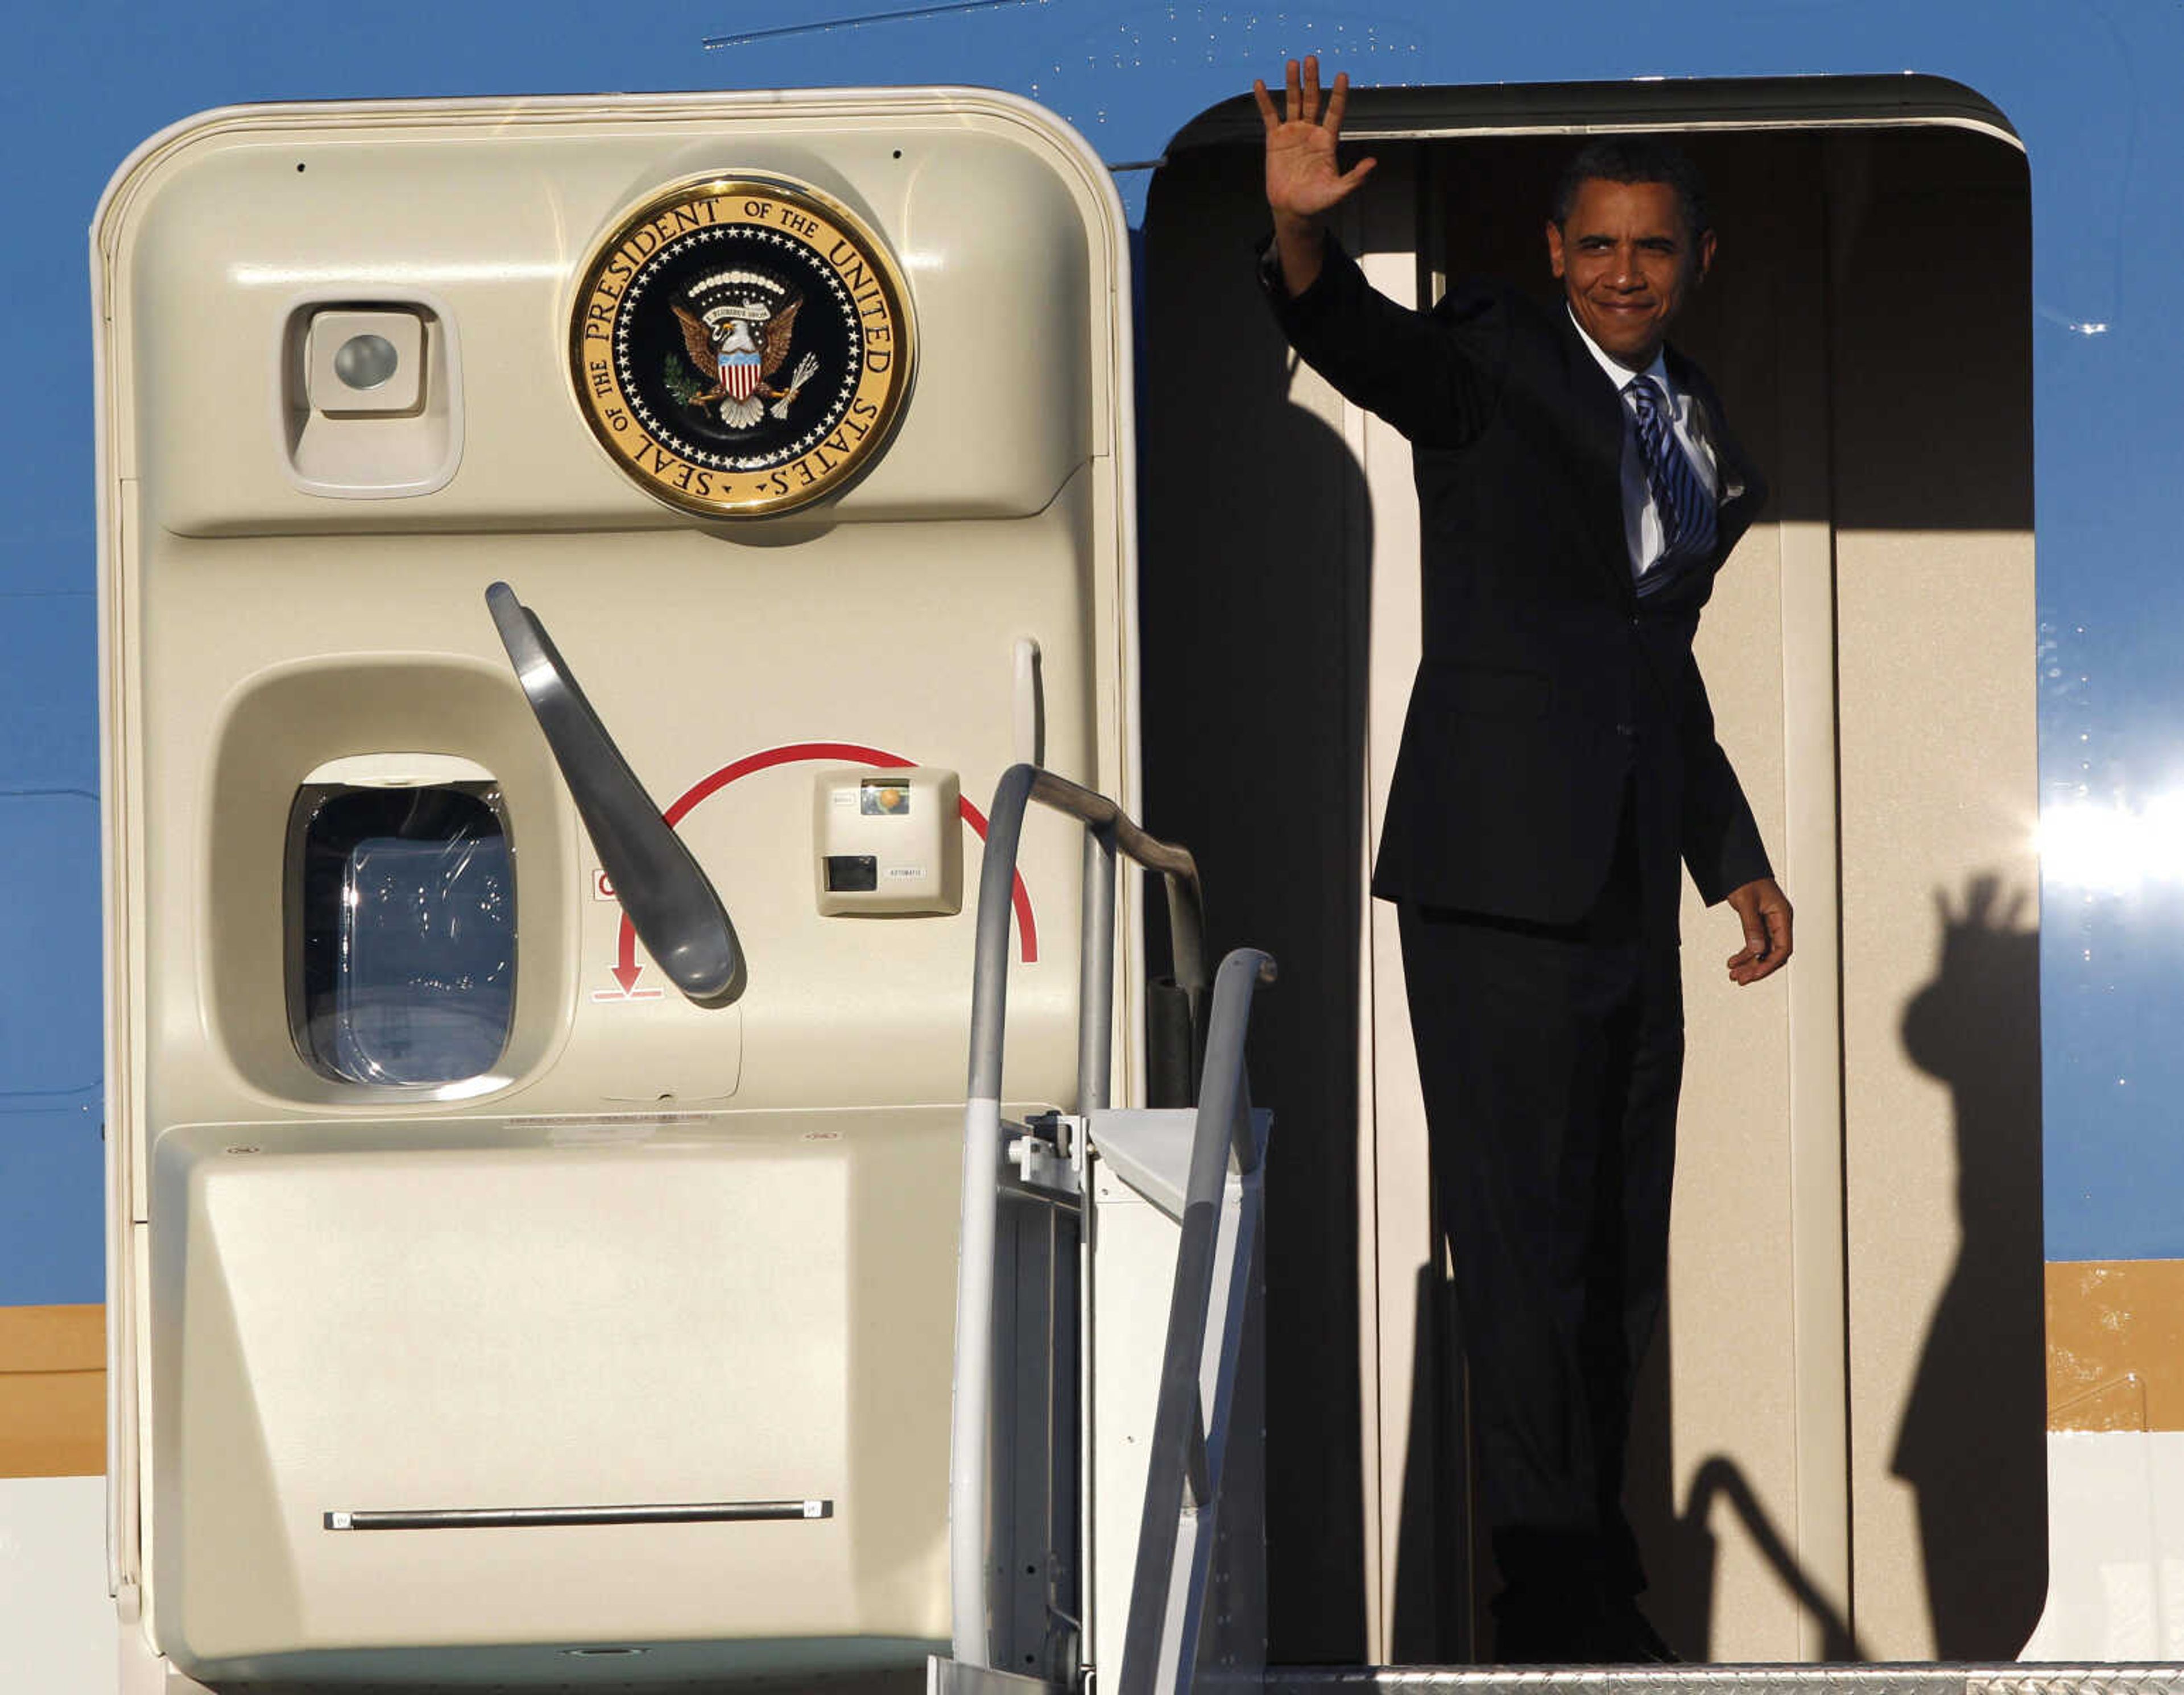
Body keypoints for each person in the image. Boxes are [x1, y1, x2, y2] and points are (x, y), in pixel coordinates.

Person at [1252, 57, 1794, 1664]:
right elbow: (1361, 345)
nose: (1625, 274)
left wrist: (1730, 855)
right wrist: (1299, 247)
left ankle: (1595, 1579)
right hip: (1498, 881)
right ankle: (1545, 1592)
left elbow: (1657, 666)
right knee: (1526, 1241)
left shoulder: (1704, 433)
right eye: (1599, 247)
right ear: (1556, 253)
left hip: (1629, 887)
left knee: (1618, 1244)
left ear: (1699, 262)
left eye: (1655, 249)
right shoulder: (1493, 362)